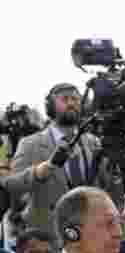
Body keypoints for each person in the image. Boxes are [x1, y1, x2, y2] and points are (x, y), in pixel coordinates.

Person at [6, 83, 102, 233]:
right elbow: (11, 184)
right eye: (64, 99)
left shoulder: (94, 143)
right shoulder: (30, 143)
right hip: (47, 235)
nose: (71, 103)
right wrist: (39, 171)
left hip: (87, 231)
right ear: (50, 107)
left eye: (75, 99)